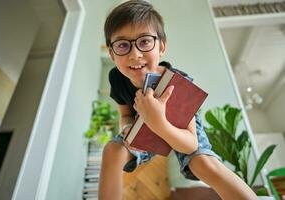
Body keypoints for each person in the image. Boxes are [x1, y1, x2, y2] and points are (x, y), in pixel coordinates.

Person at [98, 1, 257, 200]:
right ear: (112, 54)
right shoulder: (116, 78)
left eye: (145, 41)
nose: (135, 54)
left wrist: (159, 124)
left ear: (161, 47)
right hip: (143, 128)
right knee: (112, 151)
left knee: (202, 164)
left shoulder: (177, 83)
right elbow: (125, 114)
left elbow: (189, 144)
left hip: (180, 130)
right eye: (122, 45)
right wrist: (127, 127)